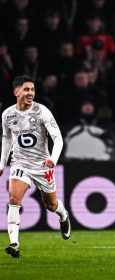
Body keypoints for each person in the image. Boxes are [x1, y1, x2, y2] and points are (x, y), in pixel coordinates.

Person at [0, 75, 71, 258]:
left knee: (51, 204)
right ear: (16, 92)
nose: (30, 93)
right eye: (26, 89)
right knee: (14, 199)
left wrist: (53, 160)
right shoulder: (7, 114)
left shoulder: (42, 111)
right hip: (19, 163)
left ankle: (63, 215)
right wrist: (2, 164)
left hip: (42, 165)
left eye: (32, 89)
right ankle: (14, 244)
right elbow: (7, 139)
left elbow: (58, 138)